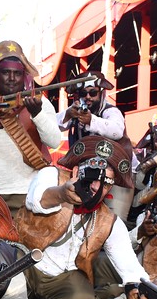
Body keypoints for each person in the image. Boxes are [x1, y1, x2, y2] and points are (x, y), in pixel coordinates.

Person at [15, 136, 147, 299]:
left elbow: (130, 267)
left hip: (62, 279)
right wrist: (62, 194)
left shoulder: (109, 221)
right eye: (92, 175)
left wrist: (140, 290)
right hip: (25, 260)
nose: (96, 187)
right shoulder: (51, 175)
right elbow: (36, 200)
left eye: (106, 183)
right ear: (76, 171)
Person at [0, 40, 61, 213]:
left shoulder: (39, 102)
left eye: (17, 73)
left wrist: (37, 113)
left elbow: (54, 141)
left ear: (24, 76)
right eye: (5, 72)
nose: (12, 78)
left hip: (27, 192)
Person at [56, 71, 133, 219]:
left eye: (93, 93)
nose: (88, 97)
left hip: (118, 175)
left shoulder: (111, 111)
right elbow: (50, 126)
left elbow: (117, 131)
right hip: (88, 174)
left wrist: (91, 120)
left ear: (101, 93)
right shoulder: (76, 111)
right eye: (83, 93)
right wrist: (67, 115)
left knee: (115, 219)